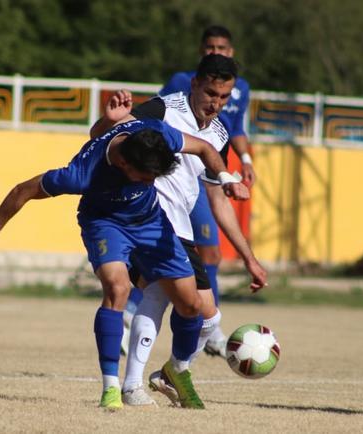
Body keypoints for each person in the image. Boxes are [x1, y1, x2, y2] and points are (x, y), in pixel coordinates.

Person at [0, 115, 249, 410]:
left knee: (192, 305)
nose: (151, 182)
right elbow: (22, 191)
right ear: (124, 164)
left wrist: (226, 178)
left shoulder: (155, 134)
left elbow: (204, 148)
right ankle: (112, 388)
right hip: (105, 224)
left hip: (150, 221)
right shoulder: (80, 174)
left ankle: (176, 369)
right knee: (117, 287)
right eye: (146, 177)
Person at [92, 54, 267, 407]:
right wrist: (103, 123)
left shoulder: (219, 134)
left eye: (223, 98)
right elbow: (105, 135)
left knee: (172, 302)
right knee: (204, 313)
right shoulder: (160, 110)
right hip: (151, 221)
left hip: (178, 227)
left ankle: (147, 381)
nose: (216, 104)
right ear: (194, 84)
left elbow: (217, 200)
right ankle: (158, 376)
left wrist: (249, 258)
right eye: (210, 94)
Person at [158, 25, 256, 358]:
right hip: (167, 185)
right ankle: (131, 356)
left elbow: (236, 129)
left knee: (208, 257)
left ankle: (188, 352)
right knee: (153, 282)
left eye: (223, 48)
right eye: (210, 47)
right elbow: (146, 121)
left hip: (205, 178)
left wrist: (242, 160)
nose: (217, 103)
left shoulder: (239, 89)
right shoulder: (178, 86)